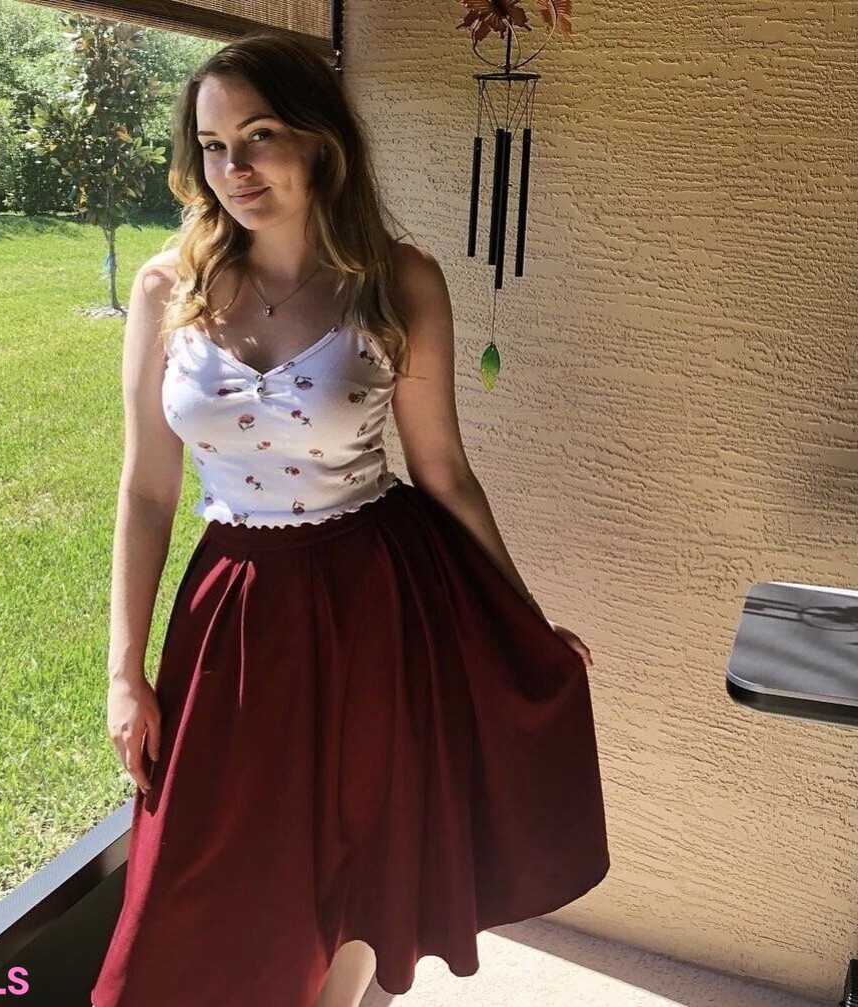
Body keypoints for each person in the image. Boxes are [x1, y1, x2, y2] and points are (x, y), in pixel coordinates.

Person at [90, 29, 609, 1007]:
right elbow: (147, 490)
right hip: (233, 612)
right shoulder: (167, 288)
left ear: (320, 140)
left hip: (373, 602)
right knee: (201, 865)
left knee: (358, 855)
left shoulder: (397, 280)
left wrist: (524, 623)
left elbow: (444, 471)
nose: (234, 167)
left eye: (259, 135)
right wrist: (125, 670)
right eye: (213, 145)